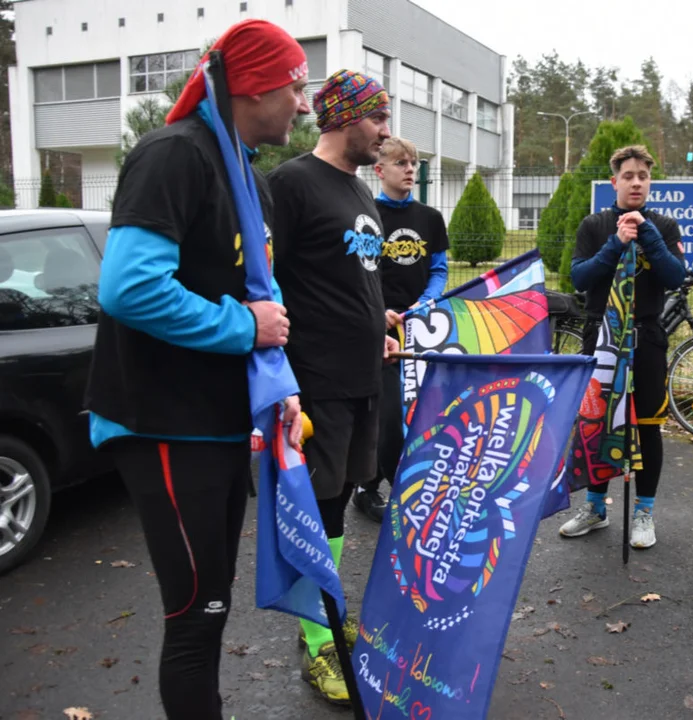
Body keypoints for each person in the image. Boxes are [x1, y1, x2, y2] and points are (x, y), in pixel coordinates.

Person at [83, 20, 308, 719]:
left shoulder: (247, 175)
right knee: (196, 610)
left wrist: (282, 386)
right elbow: (130, 288)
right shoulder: (174, 155)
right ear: (254, 86)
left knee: (211, 605)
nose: (304, 104)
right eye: (297, 87)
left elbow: (257, 297)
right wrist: (244, 329)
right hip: (163, 422)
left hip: (214, 425)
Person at [267, 68, 396, 705]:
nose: (385, 130)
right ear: (343, 116)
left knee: (340, 500)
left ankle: (325, 608)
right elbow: (267, 282)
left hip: (361, 377)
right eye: (378, 116)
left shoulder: (359, 192)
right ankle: (318, 644)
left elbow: (352, 280)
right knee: (313, 509)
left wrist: (379, 326)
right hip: (314, 385)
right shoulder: (292, 183)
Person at [558, 145, 686, 548]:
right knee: (598, 423)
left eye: (643, 177)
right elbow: (579, 277)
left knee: (646, 427)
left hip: (646, 338)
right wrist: (615, 243)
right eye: (628, 175)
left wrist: (646, 234)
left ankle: (644, 512)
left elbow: (674, 276)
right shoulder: (594, 225)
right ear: (614, 181)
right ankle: (595, 508)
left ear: (650, 182)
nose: (636, 182)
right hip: (602, 339)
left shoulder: (663, 226)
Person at [351, 136, 449, 521]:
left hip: (423, 330)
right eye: (402, 163)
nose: (410, 170)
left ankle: (380, 484)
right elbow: (359, 272)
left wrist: (426, 302)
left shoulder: (430, 219)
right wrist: (381, 312)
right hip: (379, 331)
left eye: (414, 163)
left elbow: (439, 270)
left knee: (421, 412)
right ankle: (383, 489)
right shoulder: (366, 216)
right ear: (380, 170)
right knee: (389, 418)